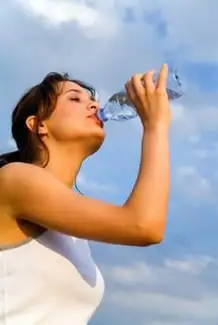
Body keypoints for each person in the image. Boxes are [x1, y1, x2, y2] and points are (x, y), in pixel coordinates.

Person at [0, 64, 171, 325]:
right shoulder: (16, 179)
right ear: (38, 125)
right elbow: (144, 225)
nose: (93, 105)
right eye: (75, 98)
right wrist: (156, 126)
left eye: (93, 100)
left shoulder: (72, 233)